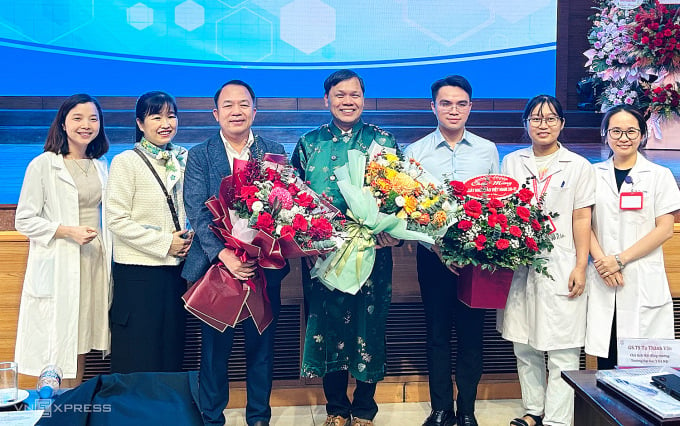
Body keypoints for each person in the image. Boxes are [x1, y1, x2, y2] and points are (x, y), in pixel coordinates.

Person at [291, 69, 400, 426]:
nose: (348, 101)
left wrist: (394, 232)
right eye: (340, 95)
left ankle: (365, 411)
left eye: (354, 95)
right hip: (325, 258)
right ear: (326, 100)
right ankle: (336, 409)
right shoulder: (308, 143)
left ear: (364, 99)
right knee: (328, 328)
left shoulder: (384, 142)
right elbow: (291, 202)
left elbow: (404, 197)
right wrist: (306, 245)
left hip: (373, 256)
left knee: (369, 327)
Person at [182, 80, 289, 426]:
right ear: (216, 113)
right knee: (214, 352)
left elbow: (287, 206)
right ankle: (211, 418)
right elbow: (197, 209)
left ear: (255, 111)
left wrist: (258, 252)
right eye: (228, 105)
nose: (236, 111)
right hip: (218, 270)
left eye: (243, 104)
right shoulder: (200, 155)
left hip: (263, 266)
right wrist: (224, 256)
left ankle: (259, 417)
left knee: (262, 348)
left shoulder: (273, 150)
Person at [404, 75, 499, 426]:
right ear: (433, 107)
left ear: (470, 107)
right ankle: (441, 408)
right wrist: (438, 248)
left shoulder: (487, 150)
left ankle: (468, 410)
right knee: (437, 334)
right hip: (434, 259)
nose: (453, 110)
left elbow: (497, 206)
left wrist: (479, 247)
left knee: (473, 336)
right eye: (446, 103)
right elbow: (409, 212)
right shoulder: (415, 153)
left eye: (461, 103)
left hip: (476, 262)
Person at [499, 95, 595, 426]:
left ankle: (557, 420)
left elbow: (582, 220)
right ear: (525, 124)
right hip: (519, 265)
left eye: (551, 118)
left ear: (562, 124)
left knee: (563, 349)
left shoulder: (579, 165)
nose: (544, 125)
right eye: (537, 119)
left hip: (561, 263)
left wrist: (581, 266)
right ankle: (532, 411)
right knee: (524, 345)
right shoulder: (511, 162)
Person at [14, 94, 111, 387]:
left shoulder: (100, 164)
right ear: (63, 124)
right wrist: (68, 231)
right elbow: (24, 219)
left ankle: (72, 405)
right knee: (59, 339)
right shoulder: (44, 164)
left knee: (79, 338)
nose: (86, 125)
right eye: (78, 118)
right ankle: (52, 409)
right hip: (61, 261)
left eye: (93, 119)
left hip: (93, 262)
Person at [586, 104, 680, 369]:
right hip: (605, 275)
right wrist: (604, 263)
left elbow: (665, 227)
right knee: (607, 357)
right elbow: (584, 223)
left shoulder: (659, 176)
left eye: (630, 131)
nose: (623, 138)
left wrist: (620, 259)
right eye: (616, 131)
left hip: (640, 275)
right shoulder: (593, 174)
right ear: (605, 134)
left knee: (643, 366)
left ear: (642, 135)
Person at [106, 91, 191, 373]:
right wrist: (165, 243)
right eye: (156, 116)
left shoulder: (182, 158)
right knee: (138, 351)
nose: (166, 123)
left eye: (171, 115)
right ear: (141, 123)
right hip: (138, 273)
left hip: (175, 272)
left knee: (172, 349)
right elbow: (116, 220)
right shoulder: (125, 162)